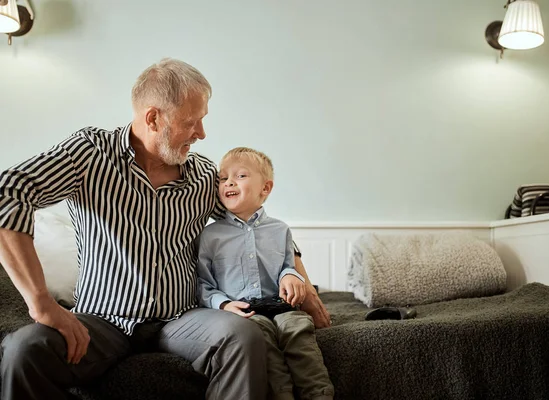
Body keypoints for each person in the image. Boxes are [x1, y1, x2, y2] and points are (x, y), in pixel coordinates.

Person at [0, 58, 330, 400]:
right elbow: (8, 192)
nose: (202, 133)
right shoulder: (89, 154)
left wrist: (305, 287)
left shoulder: (204, 176)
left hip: (182, 318)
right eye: (192, 121)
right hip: (101, 320)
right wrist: (41, 302)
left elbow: (255, 225)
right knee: (24, 349)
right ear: (153, 118)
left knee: (243, 336)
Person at [196, 147, 334, 400]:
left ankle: (319, 394)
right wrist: (224, 304)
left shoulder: (280, 230)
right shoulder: (210, 235)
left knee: (298, 332)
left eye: (240, 176)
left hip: (283, 307)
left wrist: (291, 276)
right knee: (262, 342)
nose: (229, 182)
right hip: (246, 312)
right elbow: (203, 283)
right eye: (223, 178)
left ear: (266, 188)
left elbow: (286, 266)